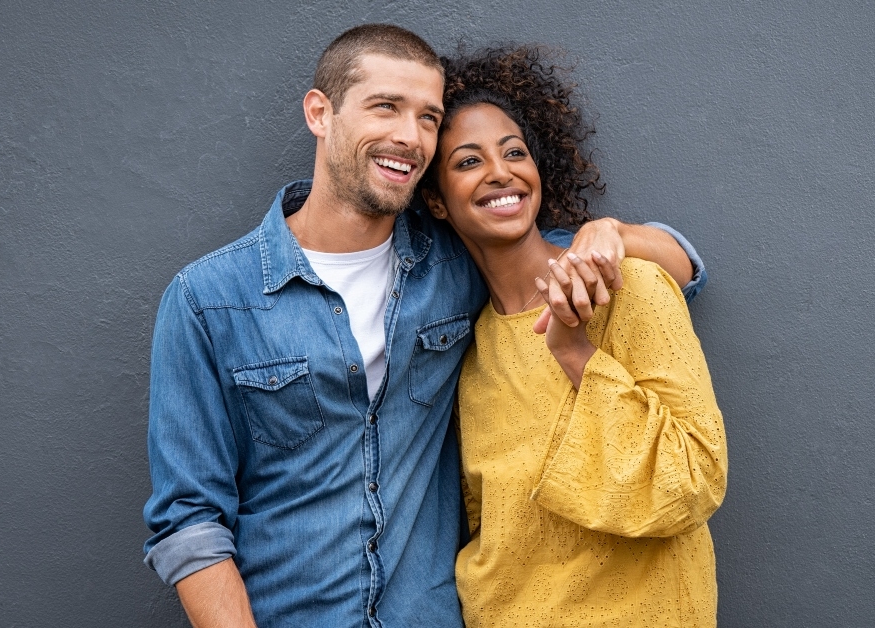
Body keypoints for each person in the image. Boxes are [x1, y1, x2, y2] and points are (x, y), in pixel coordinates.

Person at [142, 24, 708, 627]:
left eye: (428, 118)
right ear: (321, 113)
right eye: (386, 107)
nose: (408, 137)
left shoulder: (456, 265)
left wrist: (614, 233)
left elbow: (675, 265)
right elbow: (189, 520)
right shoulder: (209, 299)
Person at [420, 46, 727, 627]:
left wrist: (573, 351)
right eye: (467, 162)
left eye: (515, 152)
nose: (500, 172)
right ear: (436, 199)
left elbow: (694, 478)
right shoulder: (470, 350)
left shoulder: (629, 287)